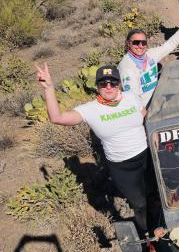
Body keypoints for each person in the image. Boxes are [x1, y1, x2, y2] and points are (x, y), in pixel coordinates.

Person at [35, 63, 150, 235]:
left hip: (147, 156)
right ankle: (149, 239)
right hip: (122, 167)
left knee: (160, 193)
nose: (108, 87)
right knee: (140, 204)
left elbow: (144, 115)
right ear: (97, 86)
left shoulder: (131, 97)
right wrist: (49, 88)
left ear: (119, 83)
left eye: (112, 82)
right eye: (103, 83)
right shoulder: (90, 110)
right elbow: (57, 118)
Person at [118, 16, 179, 108]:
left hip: (157, 102)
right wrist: (143, 113)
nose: (140, 46)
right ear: (128, 43)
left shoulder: (150, 55)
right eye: (136, 42)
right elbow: (132, 97)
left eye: (143, 43)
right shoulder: (127, 67)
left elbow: (169, 45)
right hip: (144, 110)